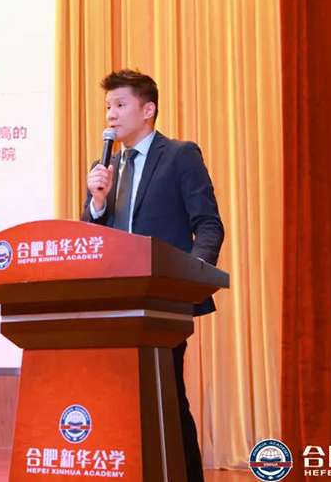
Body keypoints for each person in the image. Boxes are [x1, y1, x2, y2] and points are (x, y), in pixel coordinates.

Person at [81, 69, 224, 481]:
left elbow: (208, 224)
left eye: (120, 105)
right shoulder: (105, 167)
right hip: (116, 301)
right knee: (119, 400)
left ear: (148, 110)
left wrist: (191, 279)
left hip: (163, 300)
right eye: (108, 107)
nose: (110, 115)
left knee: (166, 397)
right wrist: (96, 203)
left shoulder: (179, 155)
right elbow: (91, 239)